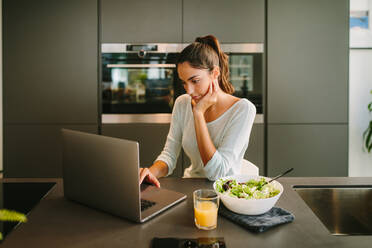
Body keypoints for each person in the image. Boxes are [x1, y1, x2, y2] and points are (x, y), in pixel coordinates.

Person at [139, 35, 256, 188]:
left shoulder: (243, 110)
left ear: (215, 73)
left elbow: (217, 173)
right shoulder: (182, 103)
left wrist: (198, 114)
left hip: (227, 193)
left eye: (195, 81)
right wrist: (149, 173)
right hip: (191, 187)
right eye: (184, 83)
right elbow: (169, 155)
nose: (189, 91)